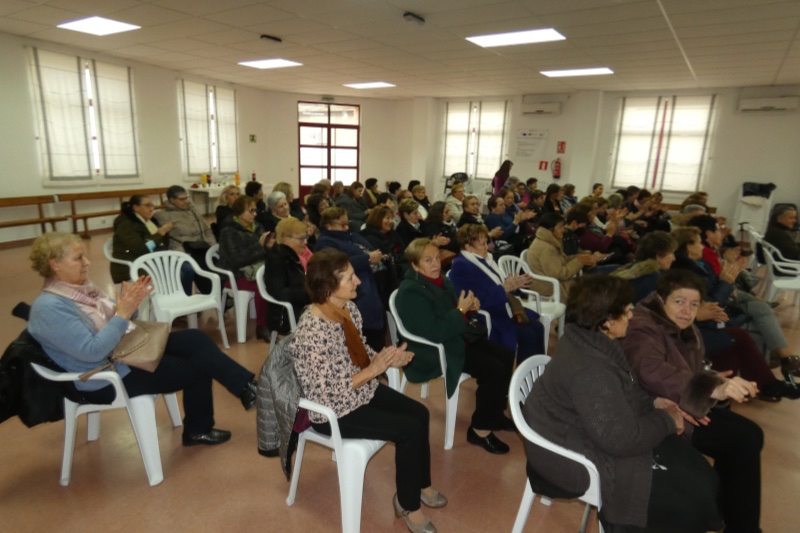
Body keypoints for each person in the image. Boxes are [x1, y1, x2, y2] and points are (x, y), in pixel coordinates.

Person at [522, 275, 722, 532]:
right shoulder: (589, 369)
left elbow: (622, 390)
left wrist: (653, 402)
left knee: (697, 473)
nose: (632, 315)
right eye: (627, 311)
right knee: (683, 502)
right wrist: (667, 420)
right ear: (606, 321)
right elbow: (619, 440)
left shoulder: (588, 340)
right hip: (567, 459)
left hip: (582, 429)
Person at [27, 232, 258, 447]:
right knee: (198, 366)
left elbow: (120, 322)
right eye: (78, 258)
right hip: (105, 377)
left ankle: (247, 387)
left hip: (123, 352)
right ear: (54, 264)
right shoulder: (49, 308)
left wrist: (131, 305)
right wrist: (123, 313)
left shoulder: (82, 290)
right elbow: (92, 351)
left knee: (194, 339)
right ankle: (198, 429)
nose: (87, 262)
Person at [292, 249, 445, 533]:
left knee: (420, 413)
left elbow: (361, 351)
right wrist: (373, 371)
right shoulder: (311, 332)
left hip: (360, 390)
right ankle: (408, 505)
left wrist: (386, 359)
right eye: (350, 278)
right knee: (408, 428)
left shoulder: (346, 309)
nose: (359, 282)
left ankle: (420, 484)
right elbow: (323, 396)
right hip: (333, 413)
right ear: (328, 287)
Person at [623, 270, 764, 533]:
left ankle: (728, 514)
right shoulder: (642, 327)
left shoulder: (685, 328)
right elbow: (652, 371)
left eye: (694, 305)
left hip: (687, 401)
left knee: (750, 435)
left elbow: (689, 370)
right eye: (679, 302)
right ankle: (739, 525)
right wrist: (712, 387)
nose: (687, 311)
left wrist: (714, 381)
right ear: (661, 298)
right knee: (742, 440)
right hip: (657, 412)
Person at [395, 238, 515, 455]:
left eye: (437, 258)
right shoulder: (410, 292)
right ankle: (479, 430)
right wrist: (461, 311)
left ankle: (494, 414)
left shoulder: (440, 280)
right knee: (493, 369)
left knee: (505, 355)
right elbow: (435, 332)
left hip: (456, 337)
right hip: (435, 351)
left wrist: (470, 308)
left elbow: (455, 310)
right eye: (428, 260)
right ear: (414, 265)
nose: (435, 264)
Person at [670, 227, 800, 401]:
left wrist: (726, 278)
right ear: (689, 247)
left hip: (717, 310)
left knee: (756, 320)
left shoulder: (698, 265)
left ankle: (765, 380)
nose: (702, 246)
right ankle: (771, 376)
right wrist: (726, 283)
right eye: (698, 242)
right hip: (704, 320)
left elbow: (713, 291)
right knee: (742, 332)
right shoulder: (688, 271)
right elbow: (710, 300)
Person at [449, 225, 545, 364]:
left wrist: (516, 284)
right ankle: (525, 378)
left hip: (502, 308)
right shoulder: (461, 266)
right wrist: (505, 288)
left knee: (537, 327)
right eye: (482, 244)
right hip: (487, 315)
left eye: (486, 242)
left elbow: (501, 284)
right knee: (528, 334)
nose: (487, 247)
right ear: (468, 246)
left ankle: (537, 373)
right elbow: (477, 300)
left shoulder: (486, 259)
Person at [314, 207, 385, 351]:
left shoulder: (351, 235)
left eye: (347, 223)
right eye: (342, 225)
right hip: (354, 286)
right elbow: (333, 264)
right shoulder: (325, 242)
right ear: (329, 226)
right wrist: (368, 259)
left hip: (370, 280)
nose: (346, 227)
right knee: (366, 327)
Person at [218, 196, 274, 341]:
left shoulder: (257, 226)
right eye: (251, 211)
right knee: (262, 286)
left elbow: (264, 254)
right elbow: (236, 260)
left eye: (255, 210)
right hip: (236, 275)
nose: (255, 214)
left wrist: (269, 246)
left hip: (257, 270)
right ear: (239, 212)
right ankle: (262, 326)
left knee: (276, 279)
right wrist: (260, 246)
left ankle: (277, 320)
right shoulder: (228, 231)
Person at [154, 185, 216, 294]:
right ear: (172, 200)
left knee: (217, 261)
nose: (186, 201)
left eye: (187, 198)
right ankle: (209, 294)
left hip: (202, 245)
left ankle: (217, 294)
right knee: (197, 265)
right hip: (183, 249)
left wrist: (213, 246)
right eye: (182, 199)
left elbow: (206, 229)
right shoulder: (162, 215)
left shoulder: (193, 211)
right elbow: (169, 239)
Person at [526, 213, 596, 303]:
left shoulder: (548, 241)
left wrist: (579, 257)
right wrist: (580, 261)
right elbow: (560, 274)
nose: (563, 230)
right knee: (591, 291)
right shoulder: (546, 248)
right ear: (551, 229)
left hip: (554, 281)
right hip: (549, 286)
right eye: (560, 227)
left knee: (591, 283)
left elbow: (561, 260)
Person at [110, 194, 173, 284]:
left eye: (152, 205)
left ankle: (181, 296)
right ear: (136, 207)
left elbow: (162, 244)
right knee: (177, 273)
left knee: (185, 268)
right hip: (131, 265)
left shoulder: (150, 221)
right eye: (147, 205)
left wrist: (164, 233)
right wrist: (159, 234)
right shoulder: (126, 225)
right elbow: (141, 248)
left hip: (148, 259)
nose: (151, 209)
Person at [264, 217, 313, 334]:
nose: (305, 242)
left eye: (305, 238)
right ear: (286, 238)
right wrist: (311, 293)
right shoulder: (276, 258)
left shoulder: (290, 255)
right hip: (284, 314)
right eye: (301, 239)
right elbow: (280, 292)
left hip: (298, 305)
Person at [611, 231, 677, 303]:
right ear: (658, 256)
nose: (674, 258)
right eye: (671, 253)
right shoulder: (653, 278)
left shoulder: (631, 267)